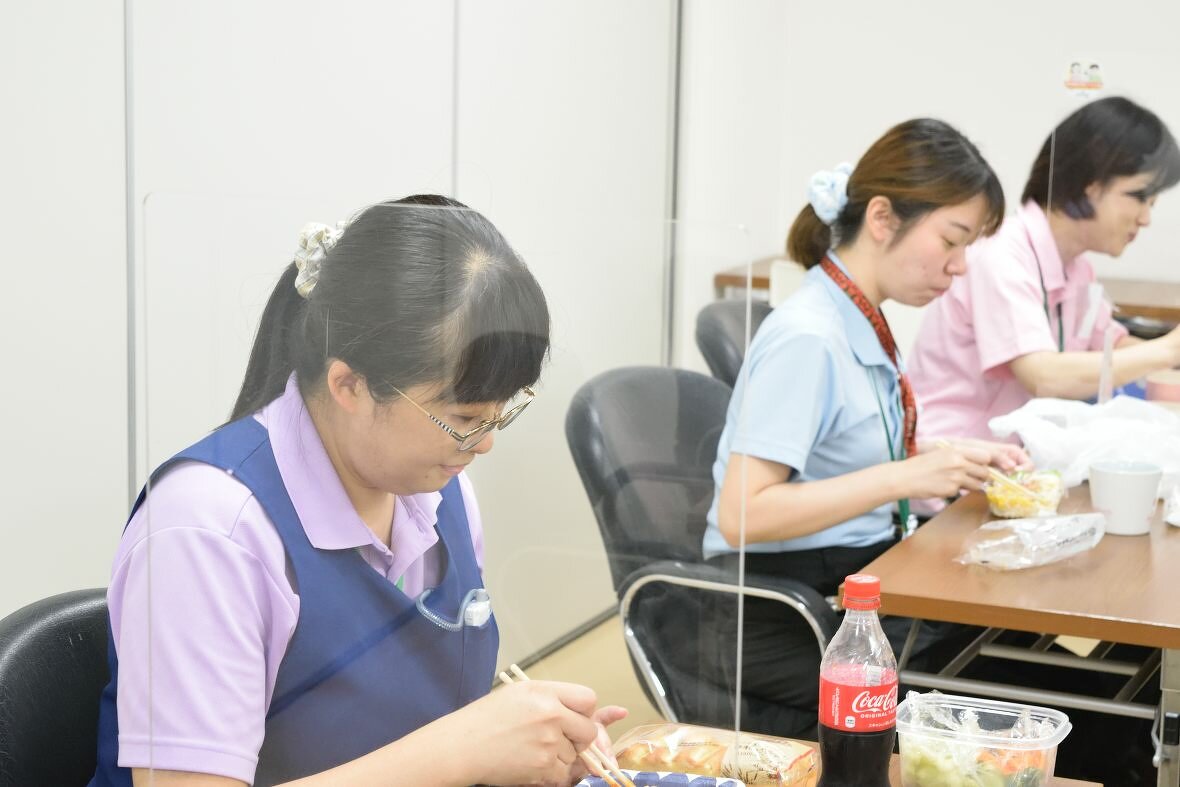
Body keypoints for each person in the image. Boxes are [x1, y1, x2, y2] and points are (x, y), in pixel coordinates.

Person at [90, 196, 626, 787]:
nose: (485, 443)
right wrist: (470, 747)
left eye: (502, 413)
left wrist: (535, 741)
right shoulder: (208, 531)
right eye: (465, 417)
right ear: (349, 385)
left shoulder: (439, 491)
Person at [698, 119, 1029, 738]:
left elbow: (842, 449)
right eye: (951, 240)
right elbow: (742, 514)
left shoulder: (856, 315)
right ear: (882, 218)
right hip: (783, 608)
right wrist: (906, 475)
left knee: (1014, 639)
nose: (959, 267)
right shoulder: (809, 337)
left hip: (847, 576)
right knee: (1014, 680)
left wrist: (945, 456)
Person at [908, 96, 1180, 442]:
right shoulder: (1001, 255)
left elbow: (1113, 347)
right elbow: (1043, 376)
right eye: (1139, 197)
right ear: (1090, 183)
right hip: (953, 465)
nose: (1145, 219)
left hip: (1013, 460)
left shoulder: (1077, 269)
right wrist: (1168, 350)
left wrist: (1169, 354)